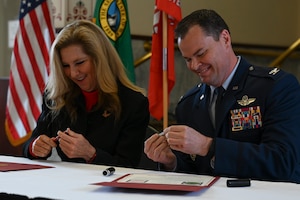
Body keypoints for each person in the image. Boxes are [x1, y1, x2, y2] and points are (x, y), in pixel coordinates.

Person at [144, 9, 300, 183]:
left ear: (225, 39)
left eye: (201, 53)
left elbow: (283, 162)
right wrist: (171, 162)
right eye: (188, 59)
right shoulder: (189, 103)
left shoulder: (275, 87)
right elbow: (192, 171)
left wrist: (208, 146)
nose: (195, 65)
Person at [23, 20, 150, 168]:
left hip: (107, 188)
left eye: (80, 63)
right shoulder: (56, 97)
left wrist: (91, 154)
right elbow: (31, 143)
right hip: (64, 185)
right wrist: (34, 147)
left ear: (100, 59)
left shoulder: (133, 103)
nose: (73, 73)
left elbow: (128, 166)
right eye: (65, 66)